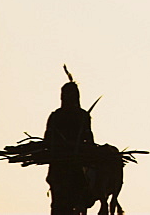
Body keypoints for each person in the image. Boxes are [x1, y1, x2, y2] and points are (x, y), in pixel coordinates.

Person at [45, 75, 95, 215]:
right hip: (67, 167)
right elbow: (89, 139)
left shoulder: (57, 116)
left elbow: (47, 140)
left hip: (67, 167)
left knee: (61, 206)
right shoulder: (79, 115)